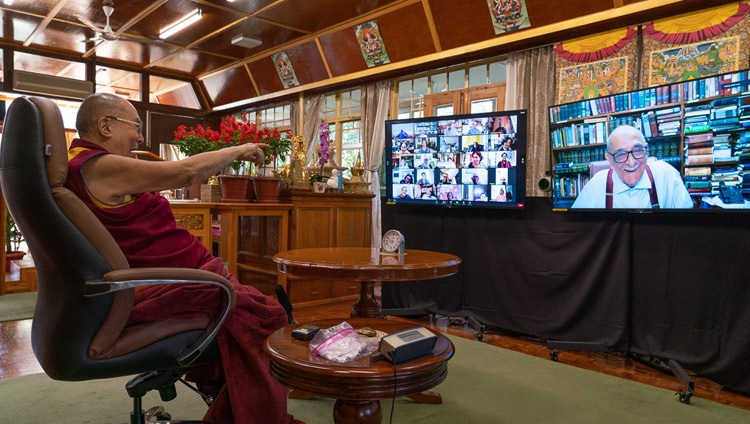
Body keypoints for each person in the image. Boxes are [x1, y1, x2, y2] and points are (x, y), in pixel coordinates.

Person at [64, 93, 303, 424]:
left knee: (252, 315)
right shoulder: (97, 165)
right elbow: (187, 171)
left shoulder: (81, 163)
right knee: (268, 315)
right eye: (135, 125)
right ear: (105, 125)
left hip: (180, 278)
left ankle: (239, 410)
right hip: (171, 285)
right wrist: (238, 149)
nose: (140, 136)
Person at [572, 125, 692, 209]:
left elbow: (686, 227)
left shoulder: (667, 176)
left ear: (647, 150)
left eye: (638, 150)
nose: (631, 162)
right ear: (610, 160)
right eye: (620, 154)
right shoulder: (596, 185)